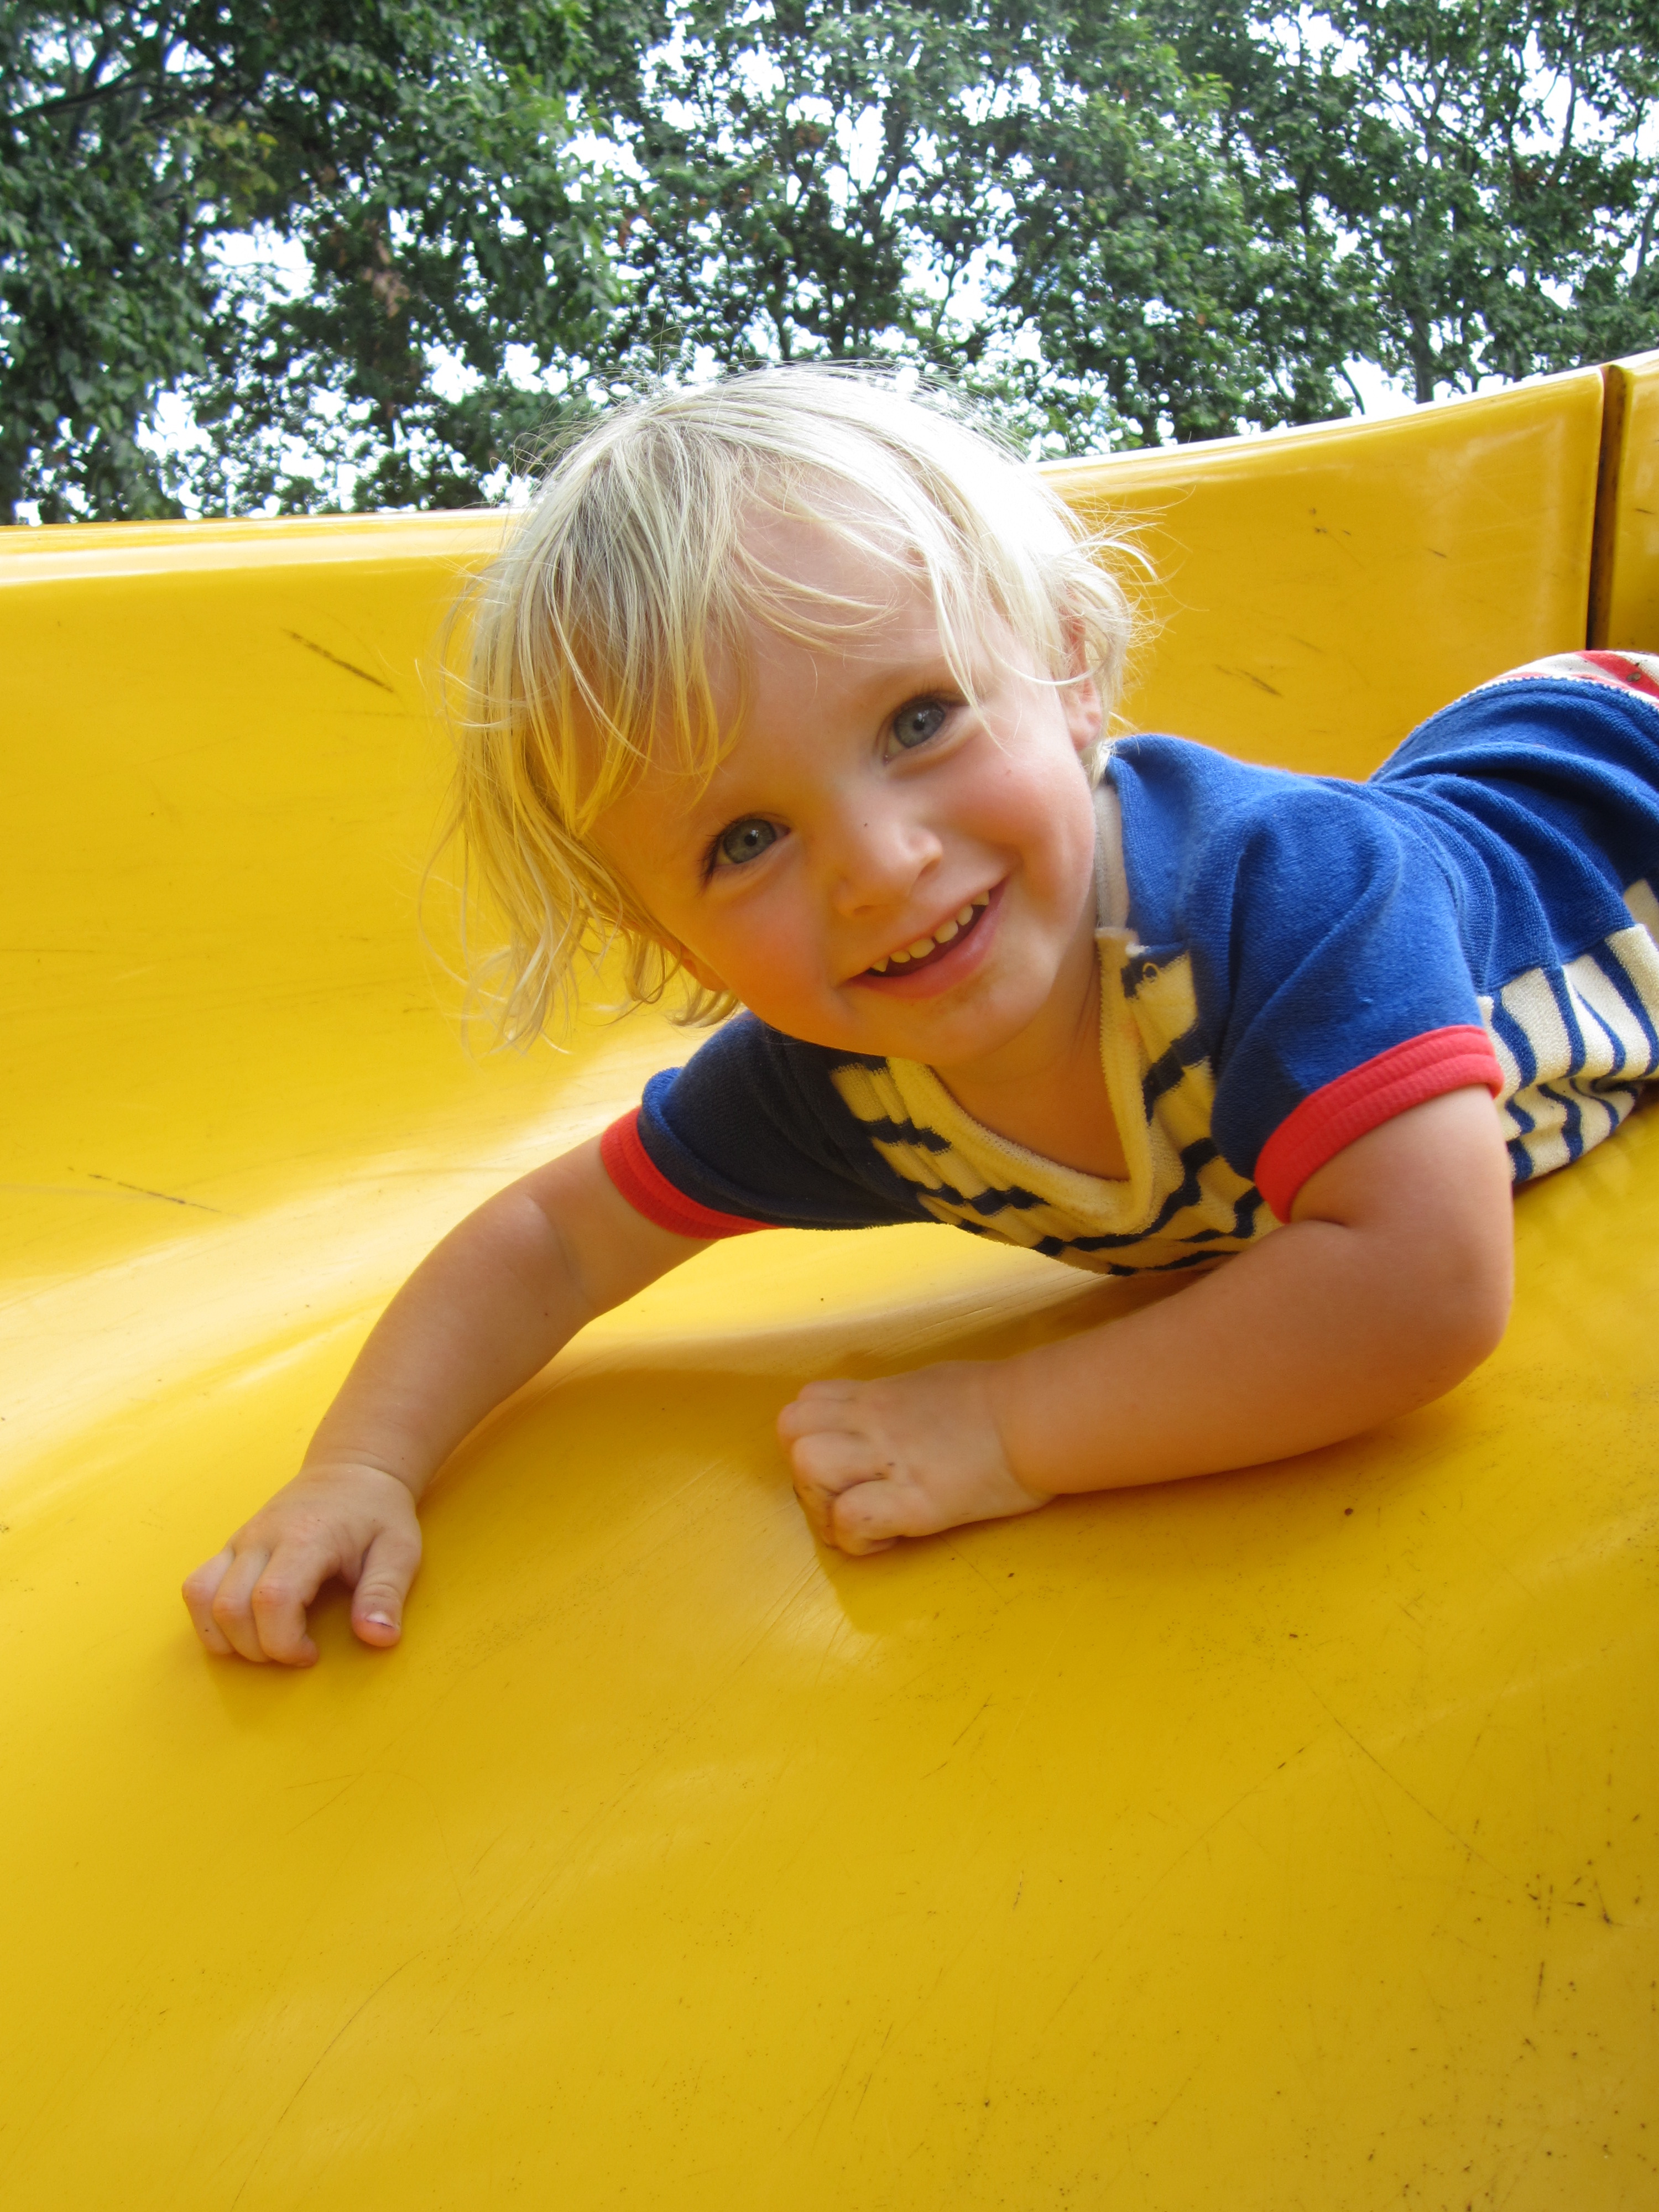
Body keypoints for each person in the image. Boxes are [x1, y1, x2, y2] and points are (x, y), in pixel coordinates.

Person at [183, 367, 1659, 1666]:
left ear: (1068, 671)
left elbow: (1422, 1284)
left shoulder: (1285, 895)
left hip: (1617, 773)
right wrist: (361, 1466)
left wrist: (1007, 1429)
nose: (880, 868)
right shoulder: (834, 1078)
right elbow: (552, 1239)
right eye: (744, 841)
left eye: (917, 721)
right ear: (672, 939)